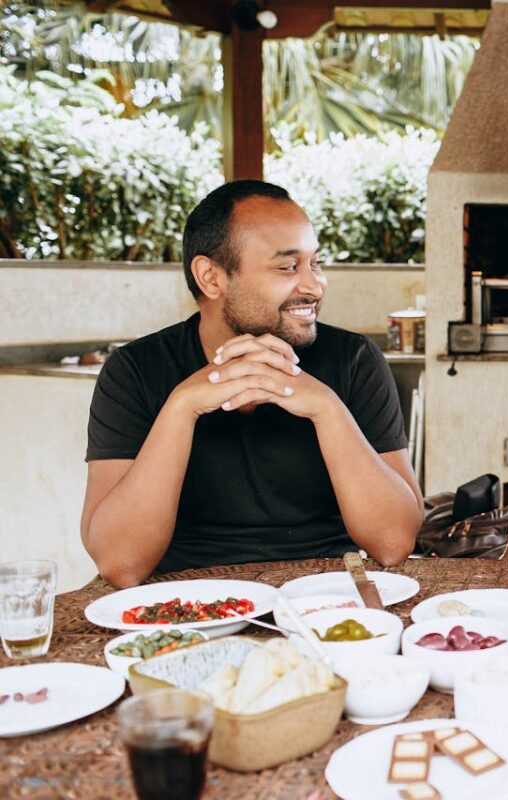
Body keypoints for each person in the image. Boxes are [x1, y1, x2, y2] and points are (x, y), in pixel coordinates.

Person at [81, 180, 423, 587]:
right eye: (287, 267)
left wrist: (327, 409)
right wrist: (181, 408)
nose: (314, 285)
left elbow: (393, 543)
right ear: (211, 277)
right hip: (187, 598)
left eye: (315, 263)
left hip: (325, 593)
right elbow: (120, 564)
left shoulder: (354, 360)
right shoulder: (135, 371)